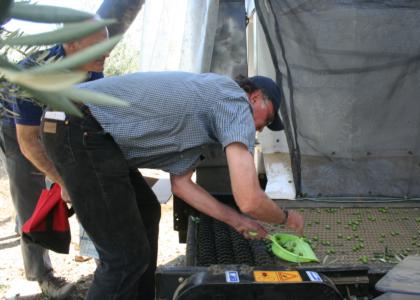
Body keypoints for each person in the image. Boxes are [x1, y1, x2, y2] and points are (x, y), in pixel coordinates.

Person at [40, 71, 305, 299]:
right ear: (255, 97)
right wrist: (285, 218)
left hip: (80, 126)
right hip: (77, 123)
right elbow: (249, 198)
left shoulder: (206, 110)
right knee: (124, 257)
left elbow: (181, 184)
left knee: (147, 209)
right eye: (267, 119)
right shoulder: (234, 100)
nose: (259, 129)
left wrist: (237, 221)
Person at [0, 25, 108, 299]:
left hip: (60, 120)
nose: (105, 53)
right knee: (31, 195)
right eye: (98, 47)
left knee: (88, 180)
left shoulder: (93, 64)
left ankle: (105, 260)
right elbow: (28, 142)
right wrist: (62, 180)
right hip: (19, 129)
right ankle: (42, 275)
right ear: (71, 45)